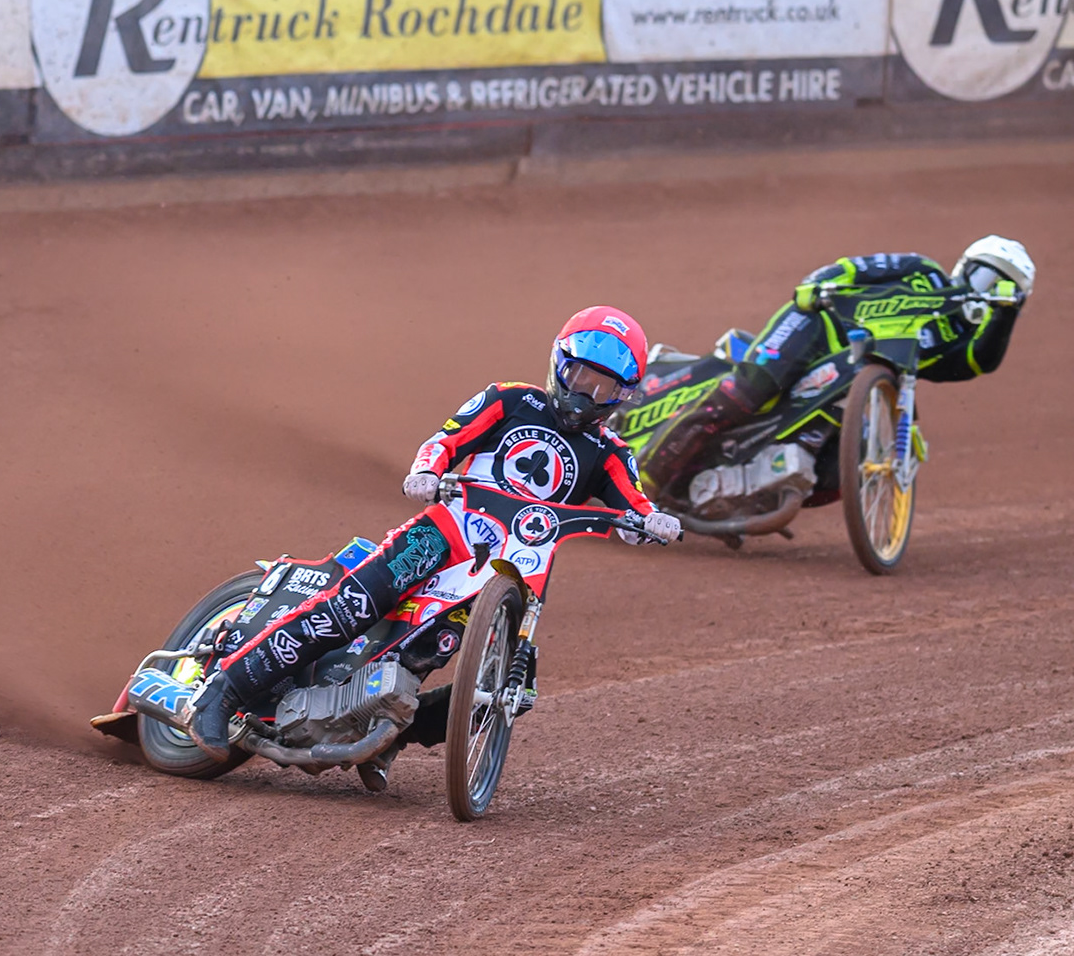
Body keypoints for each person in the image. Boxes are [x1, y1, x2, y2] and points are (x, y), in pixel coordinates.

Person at [188, 306, 684, 760]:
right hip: (448, 529)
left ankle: (383, 730)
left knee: (494, 674)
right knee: (352, 606)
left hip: (518, 565)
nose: (585, 394)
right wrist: (427, 470)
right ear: (559, 364)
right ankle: (221, 693)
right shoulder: (511, 399)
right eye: (579, 377)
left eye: (602, 388)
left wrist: (654, 522)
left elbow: (635, 507)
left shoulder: (611, 452)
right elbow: (447, 439)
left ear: (622, 396)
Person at [639, 236, 1035, 497]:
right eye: (984, 276)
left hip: (847, 383)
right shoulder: (923, 272)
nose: (986, 289)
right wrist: (820, 282)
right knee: (746, 393)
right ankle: (642, 482)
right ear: (963, 266)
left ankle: (746, 493)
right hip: (814, 327)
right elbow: (860, 268)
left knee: (854, 459)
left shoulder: (958, 341)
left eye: (1003, 286)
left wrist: (1005, 313)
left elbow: (981, 361)